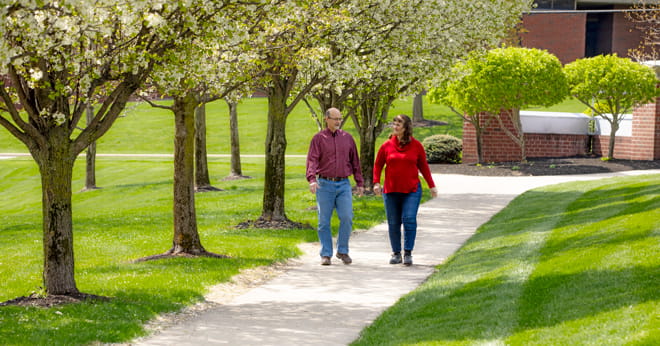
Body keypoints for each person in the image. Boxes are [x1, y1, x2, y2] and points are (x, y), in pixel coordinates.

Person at [373, 114, 438, 266]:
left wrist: (432, 185)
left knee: (409, 219)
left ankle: (408, 252)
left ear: (406, 127)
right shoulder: (386, 145)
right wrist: (376, 183)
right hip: (391, 190)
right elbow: (378, 165)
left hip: (411, 190)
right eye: (394, 123)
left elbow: (424, 167)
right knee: (393, 222)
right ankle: (396, 253)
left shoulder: (416, 146)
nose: (395, 126)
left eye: (398, 124)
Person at [306, 108, 364, 266]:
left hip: (344, 184)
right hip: (324, 184)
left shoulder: (347, 138)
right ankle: (326, 254)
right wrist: (312, 179)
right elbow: (312, 160)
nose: (338, 121)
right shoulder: (318, 139)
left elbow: (355, 162)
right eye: (335, 119)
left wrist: (359, 182)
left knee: (346, 217)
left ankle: (342, 250)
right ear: (326, 119)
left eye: (340, 118)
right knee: (324, 221)